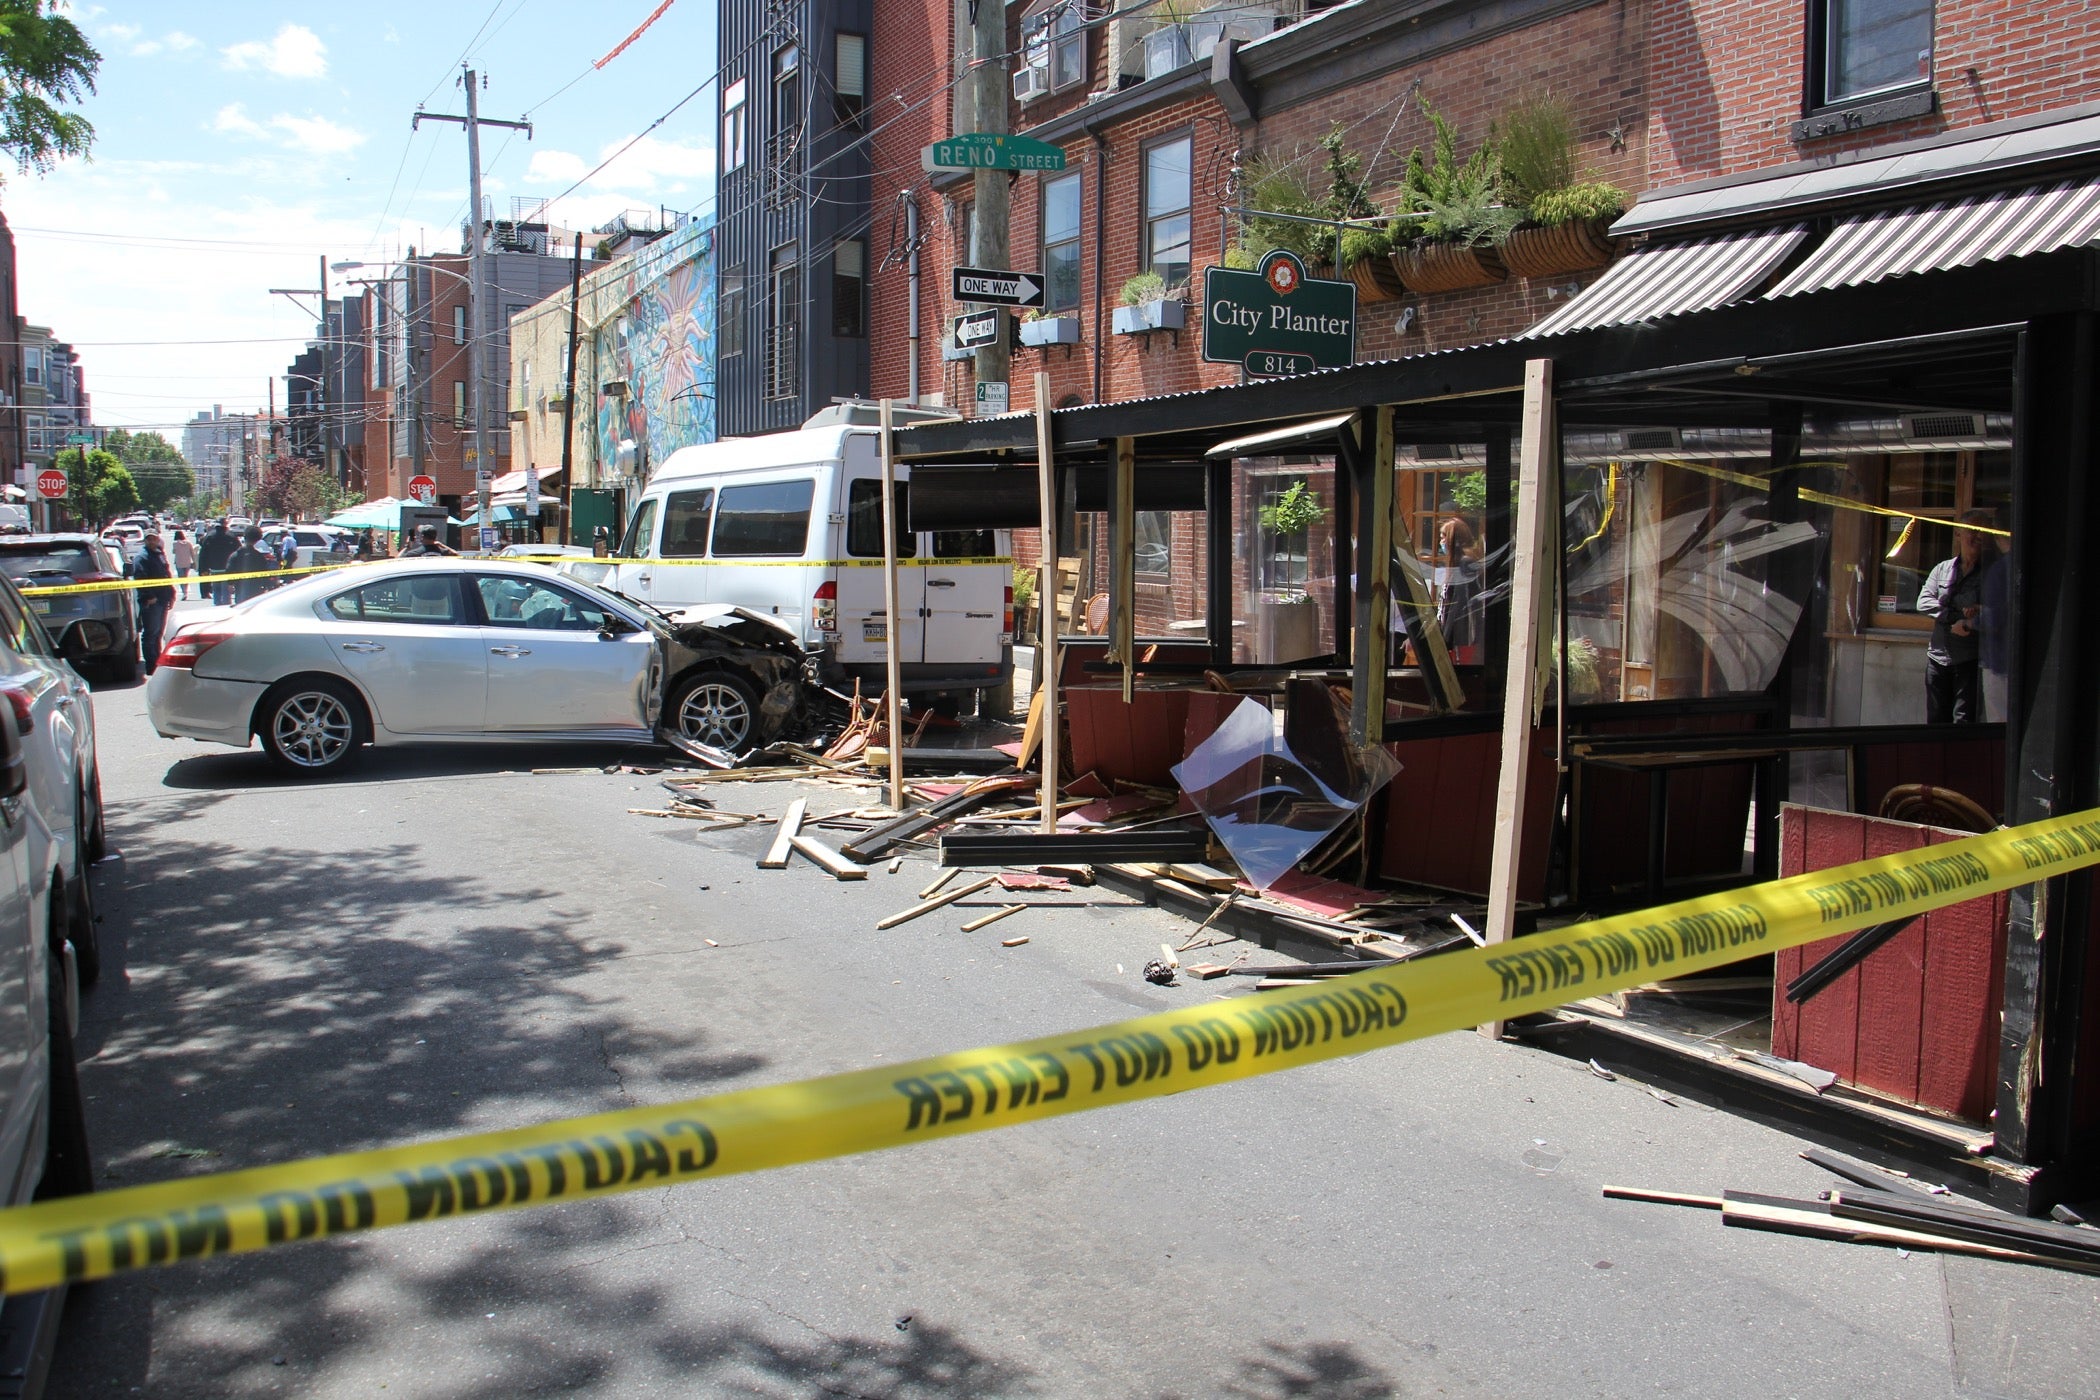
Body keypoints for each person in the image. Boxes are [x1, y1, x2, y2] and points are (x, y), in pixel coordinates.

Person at [1917, 508, 1999, 724]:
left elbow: (1998, 613)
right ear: (1959, 532)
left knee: (1964, 720)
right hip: (1937, 657)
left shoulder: (1991, 573)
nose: (1978, 536)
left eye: (1983, 531)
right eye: (1973, 529)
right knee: (1935, 719)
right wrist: (1954, 618)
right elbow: (1923, 602)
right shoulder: (1943, 569)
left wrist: (1976, 615)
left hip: (1969, 659)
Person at [128, 534, 176, 675]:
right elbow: (139, 577)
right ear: (146, 541)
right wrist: (148, 596)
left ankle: (158, 662)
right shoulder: (142, 557)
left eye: (154, 538)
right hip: (152, 602)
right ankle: (152, 665)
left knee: (158, 633)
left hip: (163, 599)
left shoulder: (159, 554)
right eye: (149, 539)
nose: (152, 541)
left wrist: (171, 593)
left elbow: (166, 575)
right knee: (150, 634)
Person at [1435, 515, 1485, 651]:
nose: (1441, 541)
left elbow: (1460, 602)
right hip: (1457, 636)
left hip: (1461, 639)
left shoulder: (1465, 563)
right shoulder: (1458, 563)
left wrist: (1447, 637)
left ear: (1453, 539)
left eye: (1443, 537)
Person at [225, 526, 276, 605]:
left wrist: (230, 583)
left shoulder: (236, 555)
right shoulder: (259, 556)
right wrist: (267, 585)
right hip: (256, 589)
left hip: (240, 588)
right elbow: (265, 572)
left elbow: (229, 569)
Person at [198, 519, 237, 605]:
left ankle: (217, 607)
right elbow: (237, 552)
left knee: (216, 590)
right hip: (228, 569)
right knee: (226, 592)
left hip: (214, 569)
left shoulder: (209, 536)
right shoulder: (231, 536)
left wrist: (204, 570)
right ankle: (226, 610)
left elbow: (203, 556)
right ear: (225, 525)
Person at [169, 529, 196, 601]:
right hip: (187, 562)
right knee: (186, 577)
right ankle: (186, 591)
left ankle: (184, 592)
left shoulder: (175, 543)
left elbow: (174, 551)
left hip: (179, 562)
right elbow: (192, 553)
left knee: (181, 578)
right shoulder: (189, 543)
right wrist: (194, 562)